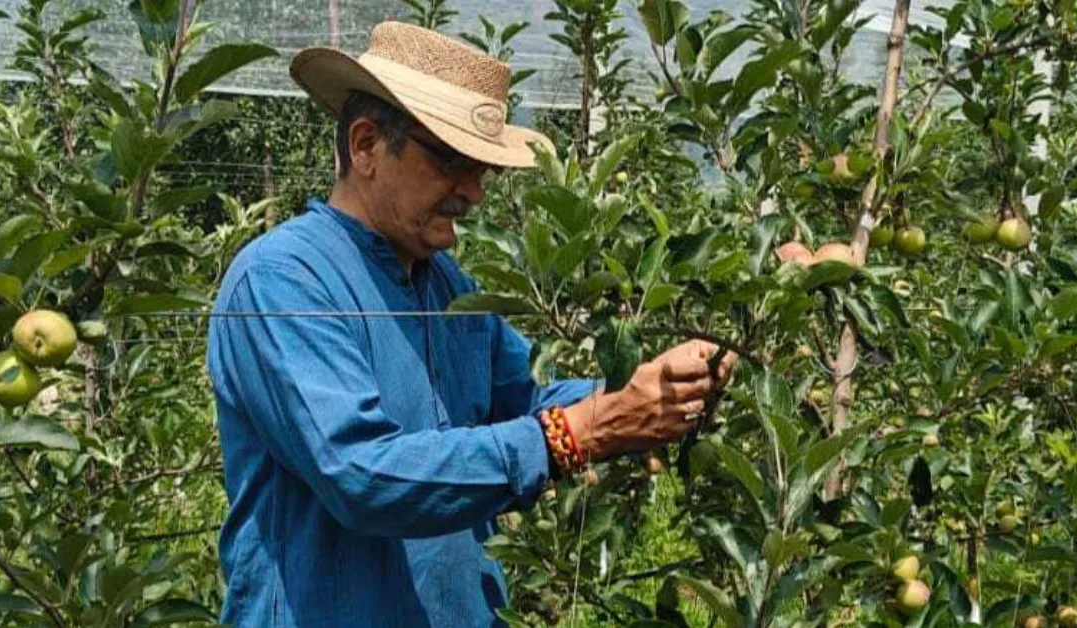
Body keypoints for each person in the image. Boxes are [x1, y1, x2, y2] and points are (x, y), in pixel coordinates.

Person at [205, 21, 737, 627]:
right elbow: (360, 473)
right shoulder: (282, 279)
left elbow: (526, 400)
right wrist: (580, 433)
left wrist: (647, 392)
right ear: (366, 146)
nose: (475, 192)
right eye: (452, 162)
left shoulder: (446, 284)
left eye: (482, 170)